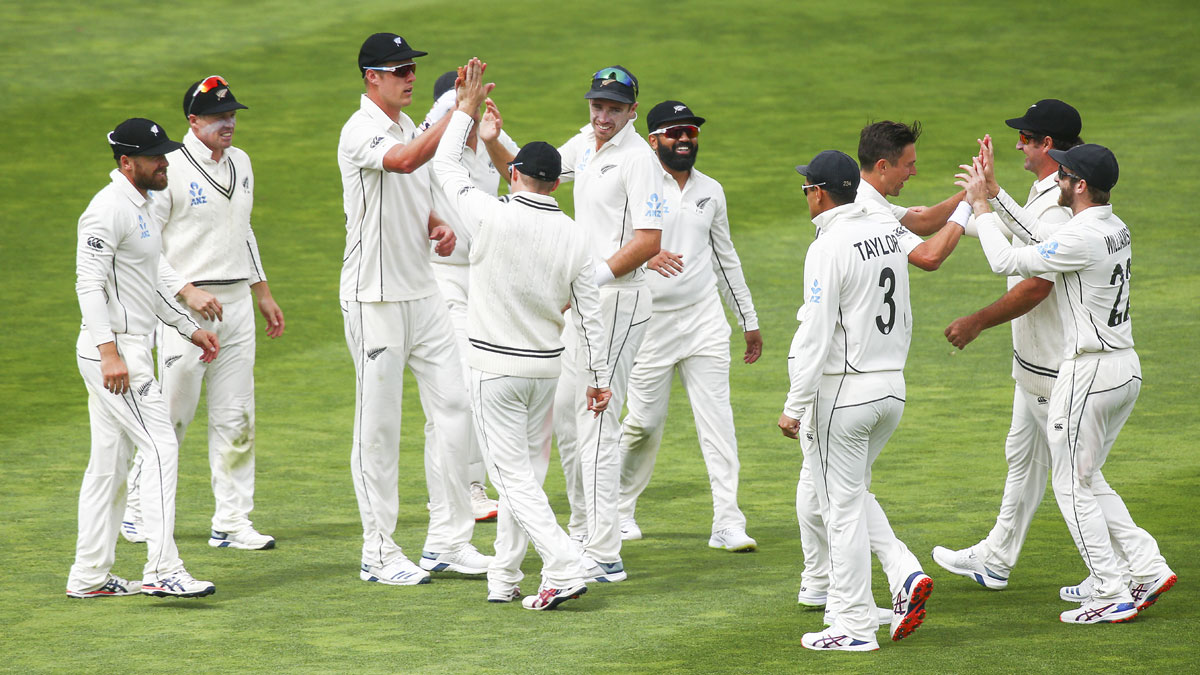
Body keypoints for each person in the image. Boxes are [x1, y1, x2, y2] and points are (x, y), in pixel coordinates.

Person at [959, 144, 1175, 624]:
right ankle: (1147, 566)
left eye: (1065, 176)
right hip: (1124, 367)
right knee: (1088, 476)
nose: (1057, 180)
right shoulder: (1112, 227)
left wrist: (979, 208)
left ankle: (1109, 588)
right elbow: (1042, 235)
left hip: (1089, 372)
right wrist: (997, 196)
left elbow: (1007, 262)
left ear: (1079, 185)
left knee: (1070, 483)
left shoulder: (1081, 237)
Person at [433, 59, 614, 610]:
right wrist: (600, 378)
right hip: (547, 372)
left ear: (514, 176)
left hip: (494, 370)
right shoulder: (577, 237)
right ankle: (504, 579)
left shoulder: (489, 216)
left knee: (511, 480)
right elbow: (590, 314)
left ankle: (562, 565)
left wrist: (465, 114)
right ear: (556, 182)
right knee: (525, 479)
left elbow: (444, 167)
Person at [480, 65, 663, 582]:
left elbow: (648, 241)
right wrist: (496, 144)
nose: (602, 116)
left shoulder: (639, 160)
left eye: (613, 108)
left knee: (598, 425)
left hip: (621, 302)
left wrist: (586, 282)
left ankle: (605, 551)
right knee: (566, 420)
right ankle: (584, 530)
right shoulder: (586, 144)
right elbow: (533, 178)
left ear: (631, 110)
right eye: (597, 105)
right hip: (585, 304)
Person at [780, 150, 958, 651]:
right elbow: (926, 254)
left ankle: (853, 625)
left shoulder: (828, 246)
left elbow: (814, 334)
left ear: (818, 192)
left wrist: (795, 405)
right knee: (849, 499)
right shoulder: (886, 228)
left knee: (841, 510)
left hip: (844, 393)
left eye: (806, 190)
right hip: (891, 389)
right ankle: (866, 596)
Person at [339, 32, 490, 586]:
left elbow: (411, 186)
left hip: (422, 292)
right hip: (373, 296)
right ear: (370, 78)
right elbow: (402, 164)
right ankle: (377, 552)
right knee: (377, 427)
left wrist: (435, 223)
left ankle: (449, 540)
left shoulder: (405, 124)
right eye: (397, 69)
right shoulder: (360, 130)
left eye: (411, 69)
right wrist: (457, 108)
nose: (407, 76)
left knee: (455, 407)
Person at [120, 76, 283, 551]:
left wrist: (263, 290)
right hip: (183, 311)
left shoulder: (243, 162)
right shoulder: (169, 167)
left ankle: (232, 522)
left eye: (231, 114)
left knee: (237, 416)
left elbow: (242, 229)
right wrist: (186, 291)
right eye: (217, 116)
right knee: (171, 415)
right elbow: (143, 243)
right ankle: (137, 511)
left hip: (235, 304)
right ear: (193, 121)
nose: (228, 123)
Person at [931, 99, 1082, 588]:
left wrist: (977, 321)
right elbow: (1025, 235)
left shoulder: (1060, 204)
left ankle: (1134, 570)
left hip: (1054, 367)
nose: (1018, 143)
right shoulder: (1048, 191)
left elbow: (1035, 279)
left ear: (1048, 145)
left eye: (1026, 137)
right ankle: (996, 559)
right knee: (1022, 458)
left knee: (1076, 479)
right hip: (1033, 362)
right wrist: (984, 199)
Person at [68, 117, 220, 599]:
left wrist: (187, 328)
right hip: (114, 356)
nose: (165, 163)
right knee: (161, 446)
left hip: (132, 348)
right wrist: (108, 351)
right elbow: (87, 284)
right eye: (155, 157)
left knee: (108, 466)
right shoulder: (106, 210)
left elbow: (148, 279)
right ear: (126, 162)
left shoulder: (146, 206)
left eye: (165, 154)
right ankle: (162, 568)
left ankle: (89, 576)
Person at [615, 101, 760, 552]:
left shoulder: (710, 191)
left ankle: (727, 522)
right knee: (642, 424)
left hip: (703, 319)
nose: (684, 140)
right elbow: (604, 240)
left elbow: (725, 258)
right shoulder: (633, 182)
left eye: (691, 133)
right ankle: (616, 510)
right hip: (648, 323)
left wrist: (748, 320)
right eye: (675, 132)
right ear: (654, 138)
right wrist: (645, 252)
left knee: (718, 420)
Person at [419, 69, 520, 522]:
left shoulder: (486, 127)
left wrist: (494, 139)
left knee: (480, 382)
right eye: (463, 101)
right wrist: (457, 108)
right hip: (440, 276)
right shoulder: (436, 130)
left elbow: (523, 176)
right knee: (455, 388)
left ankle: (468, 487)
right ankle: (463, 491)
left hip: (484, 276)